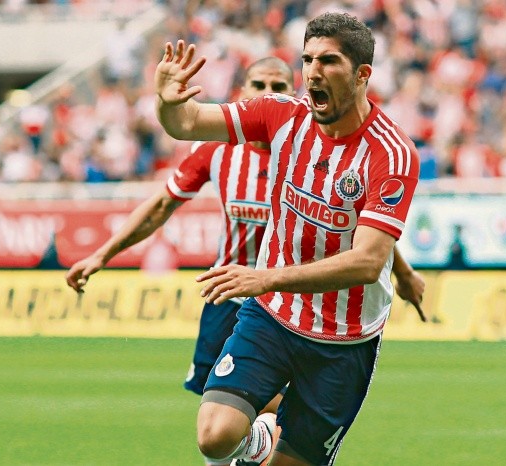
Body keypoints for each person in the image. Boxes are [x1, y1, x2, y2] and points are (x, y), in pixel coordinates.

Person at [154, 12, 421, 466]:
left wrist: (266, 278)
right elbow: (187, 123)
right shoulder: (280, 115)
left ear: (362, 74)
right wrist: (165, 100)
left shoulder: (391, 153)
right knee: (215, 436)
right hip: (273, 316)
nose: (313, 72)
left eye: (329, 61)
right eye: (308, 59)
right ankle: (258, 442)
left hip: (344, 340)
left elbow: (366, 262)